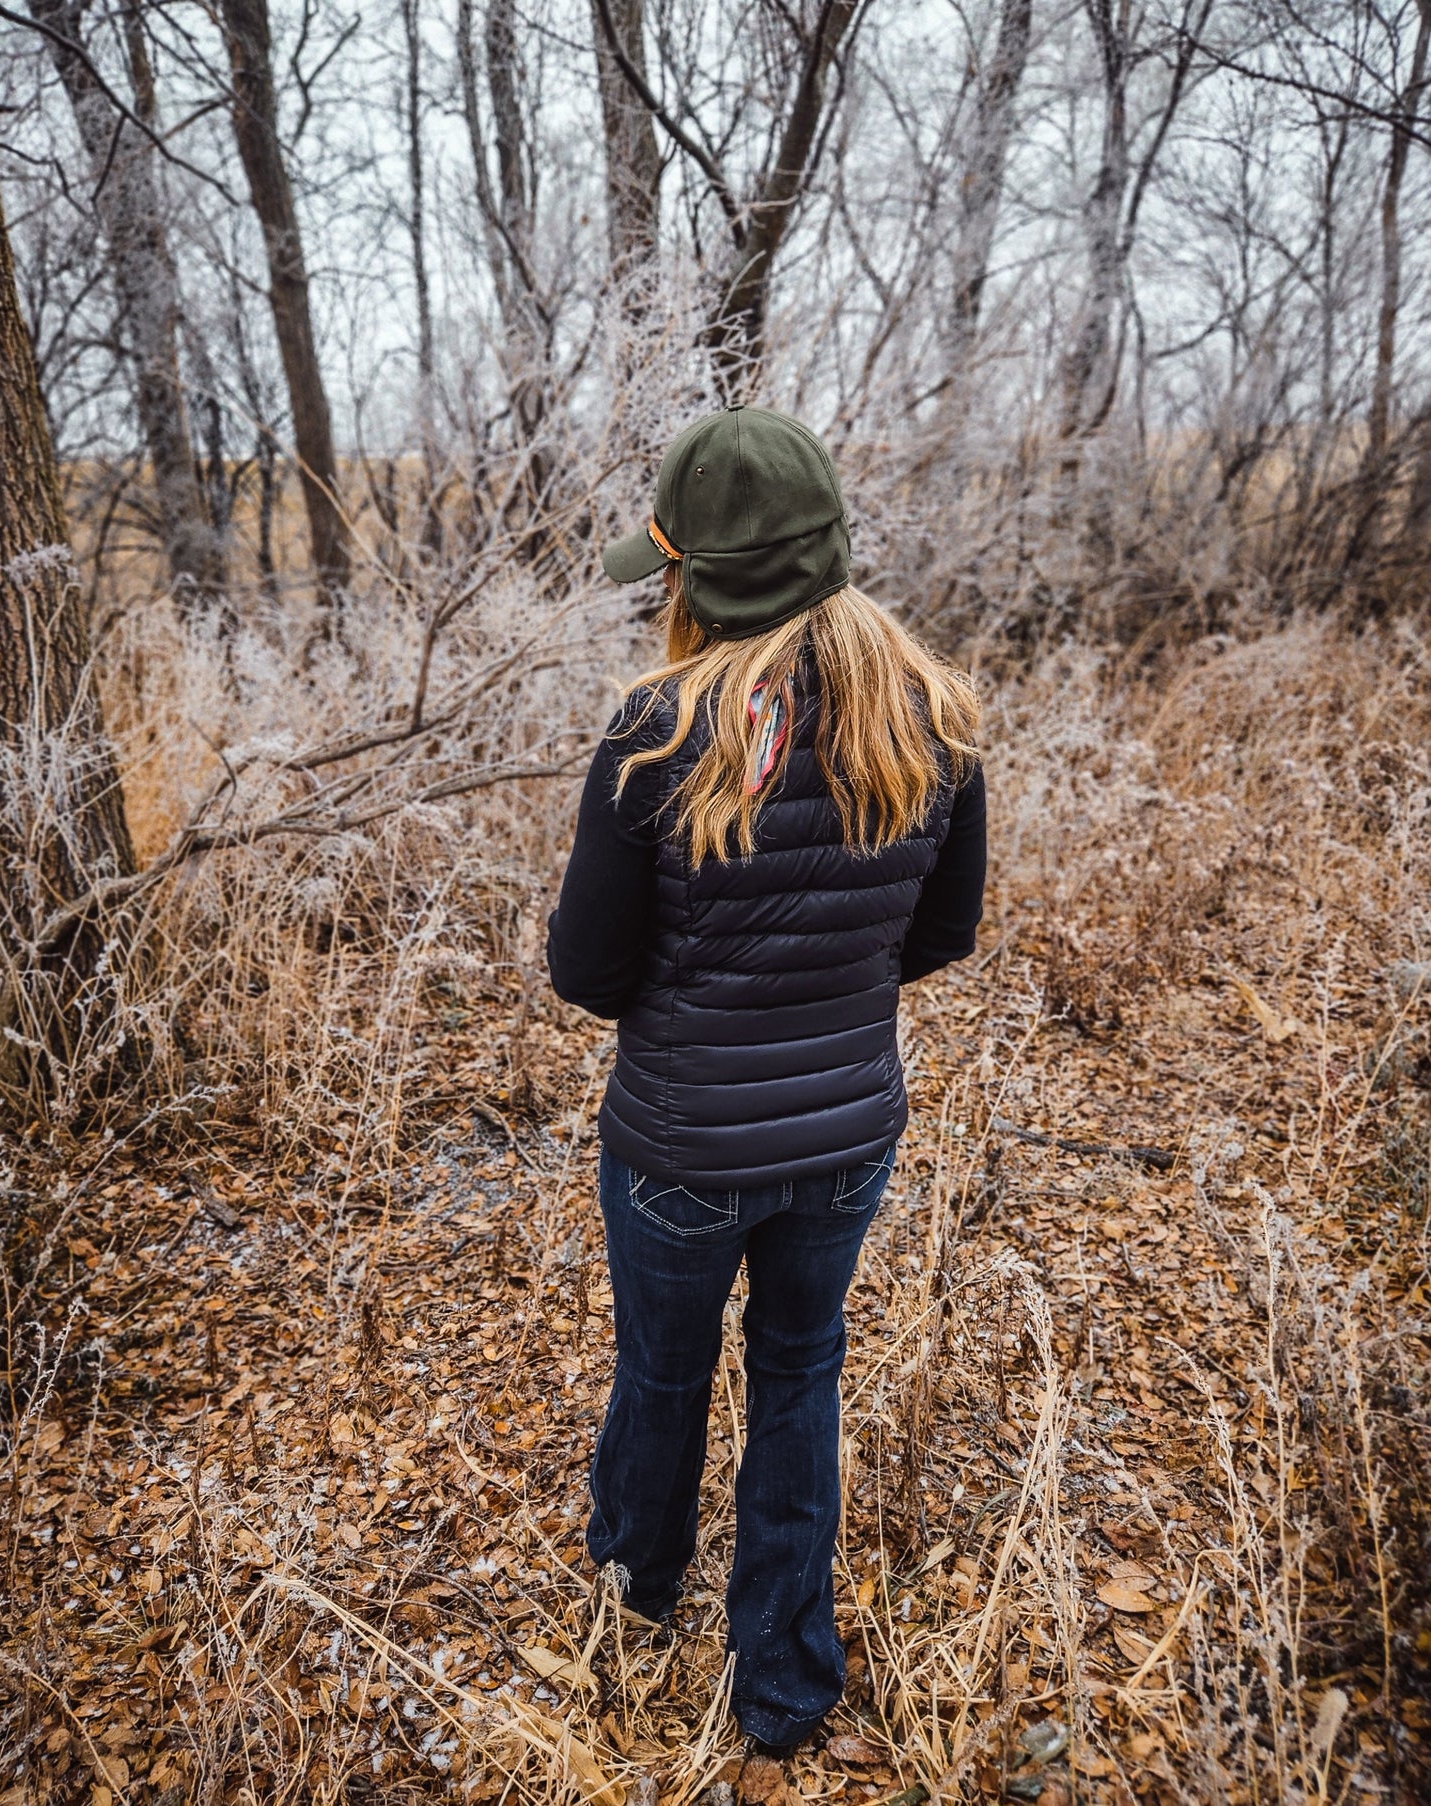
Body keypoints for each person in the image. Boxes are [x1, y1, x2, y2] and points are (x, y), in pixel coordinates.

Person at [547, 405, 986, 1756]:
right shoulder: (932, 713)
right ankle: (786, 1680)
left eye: (666, 567)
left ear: (695, 581)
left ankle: (634, 1592)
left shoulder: (652, 732)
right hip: (847, 1136)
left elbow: (587, 969)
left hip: (679, 1145)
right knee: (799, 1372)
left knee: (665, 1374)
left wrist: (712, 1000)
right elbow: (943, 933)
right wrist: (822, 995)